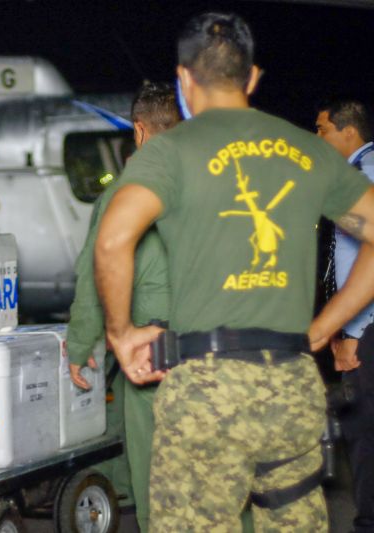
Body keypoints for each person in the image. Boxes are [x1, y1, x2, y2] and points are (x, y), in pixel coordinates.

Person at [95, 12, 374, 532]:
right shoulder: (309, 149)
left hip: (206, 385)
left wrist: (122, 334)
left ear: (183, 79)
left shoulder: (171, 152)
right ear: (252, 78)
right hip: (291, 383)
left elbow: (113, 239)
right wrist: (322, 327)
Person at [67, 82, 179, 532]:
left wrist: (81, 346)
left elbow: (98, 274)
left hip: (155, 349)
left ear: (139, 130)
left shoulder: (128, 191)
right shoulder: (216, 183)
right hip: (222, 343)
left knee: (158, 469)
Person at [316, 97, 374, 532]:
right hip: (359, 322)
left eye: (322, 130)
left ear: (348, 131)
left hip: (366, 326)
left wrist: (349, 330)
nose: (317, 138)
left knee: (365, 434)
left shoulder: (363, 176)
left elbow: (365, 262)